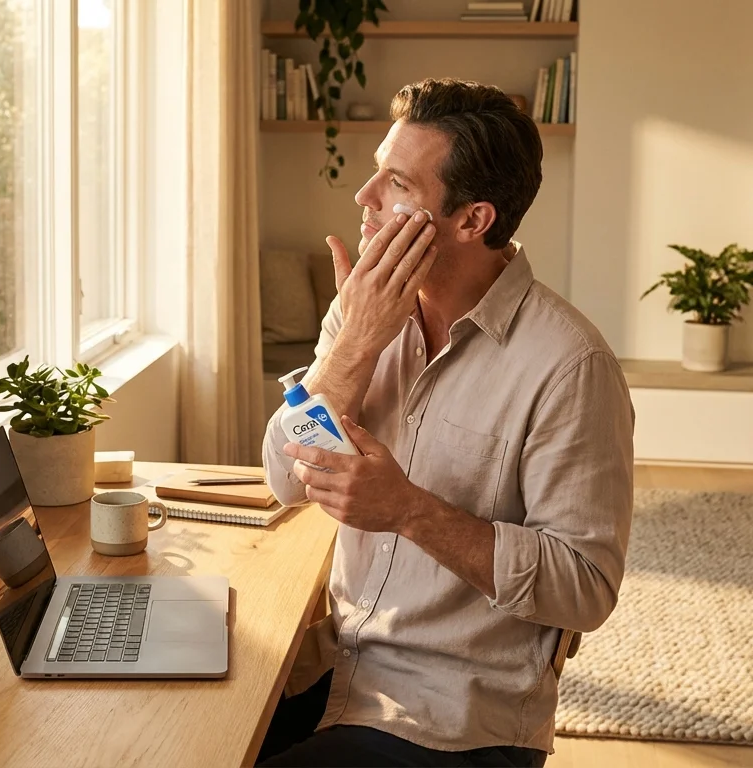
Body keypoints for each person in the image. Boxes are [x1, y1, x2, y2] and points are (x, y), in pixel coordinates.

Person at [257, 78, 635, 768]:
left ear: (472, 220)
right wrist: (354, 348)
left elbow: (585, 587)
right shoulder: (361, 311)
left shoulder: (570, 365)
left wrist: (408, 511)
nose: (364, 198)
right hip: (334, 662)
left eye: (396, 183)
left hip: (454, 714)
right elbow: (284, 477)